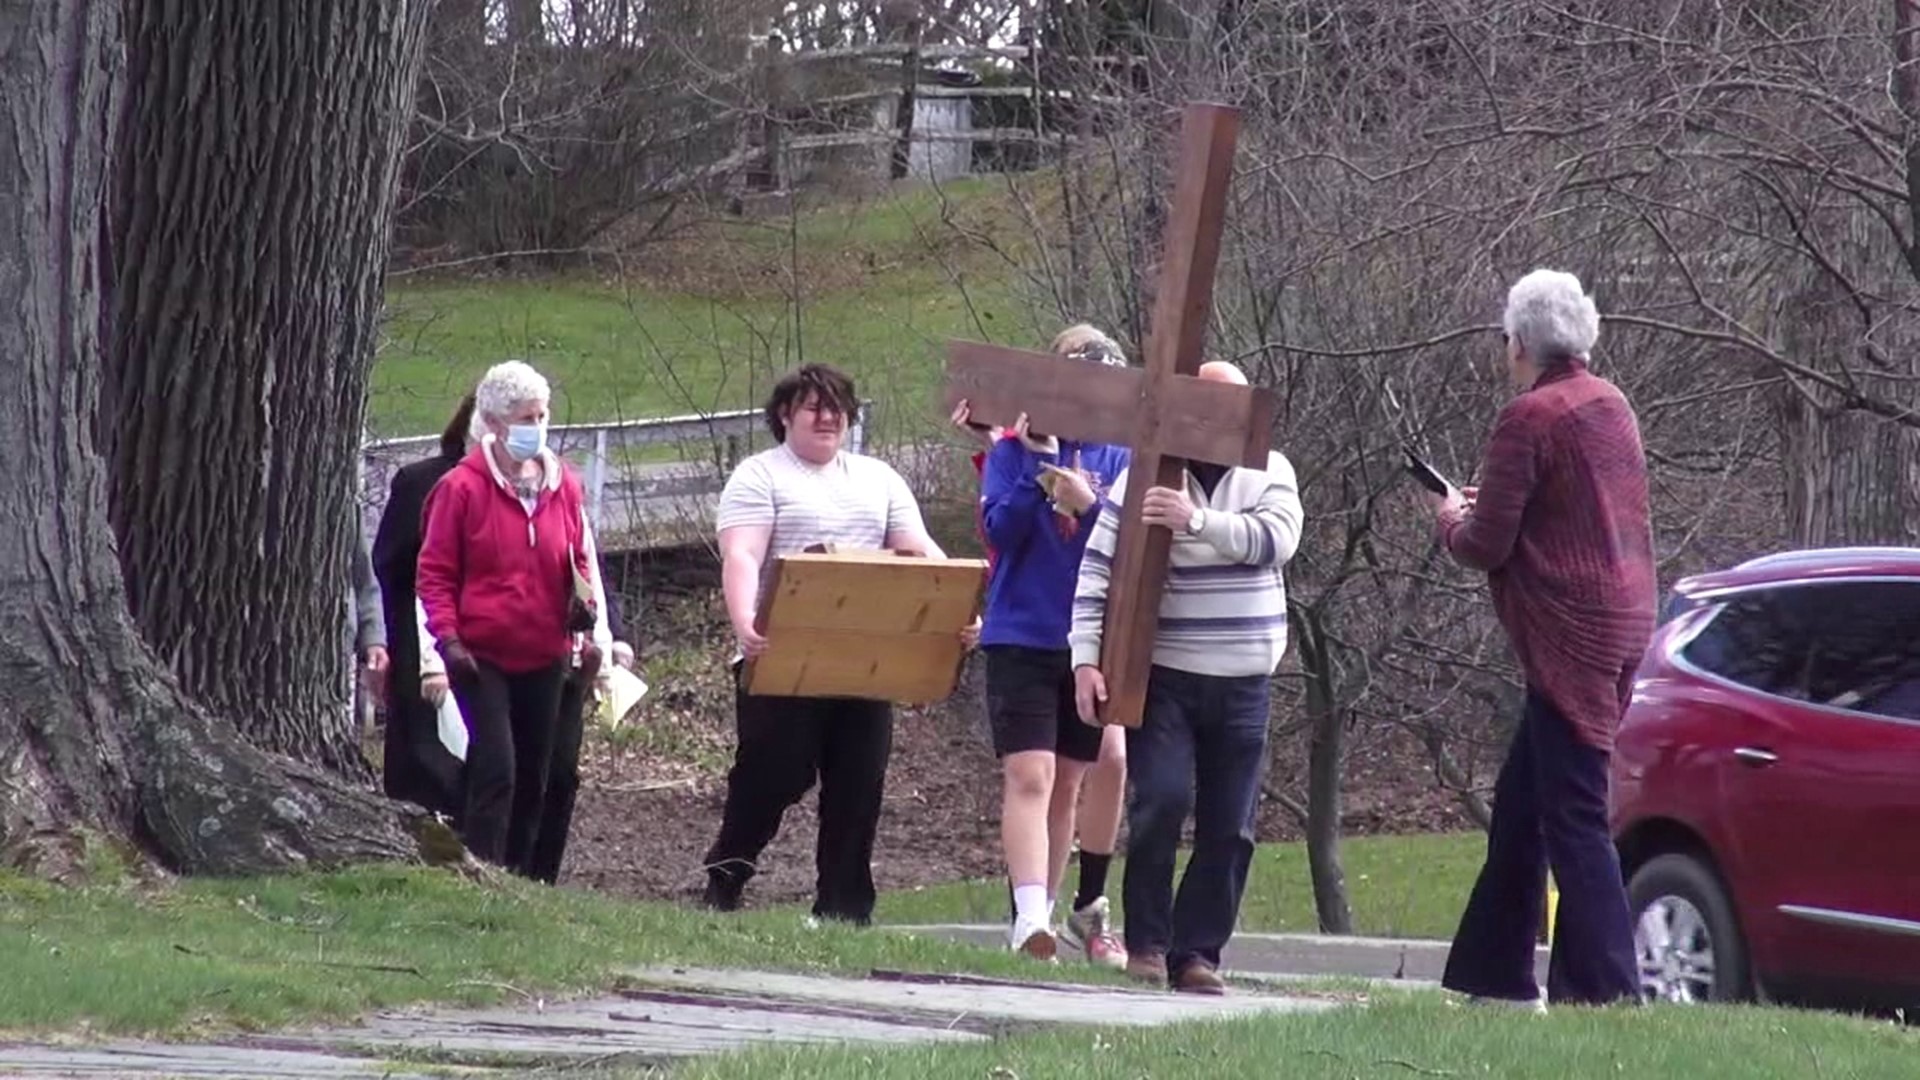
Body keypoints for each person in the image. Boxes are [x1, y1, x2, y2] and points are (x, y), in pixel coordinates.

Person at [1422, 269, 1654, 1011]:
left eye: (1505, 340)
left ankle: (1610, 990)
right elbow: (1572, 508)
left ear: (1519, 343)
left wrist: (1449, 514)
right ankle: (1496, 975)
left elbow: (1486, 545)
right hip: (1624, 622)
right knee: (1521, 804)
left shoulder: (1528, 417)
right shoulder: (1610, 405)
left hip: (1569, 636)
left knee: (1576, 815)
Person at [701, 362, 975, 925]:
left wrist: (961, 611)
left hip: (865, 663)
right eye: (813, 407)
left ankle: (844, 909)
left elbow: (922, 553)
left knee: (859, 782)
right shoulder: (759, 476)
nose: (827, 417)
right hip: (780, 659)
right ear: (785, 415)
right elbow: (743, 555)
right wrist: (744, 622)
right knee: (775, 775)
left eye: (837, 408)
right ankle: (728, 872)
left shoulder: (879, 480)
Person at [1071, 359, 1303, 995]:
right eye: (1206, 403)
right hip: (1166, 673)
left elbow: (1276, 541)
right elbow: (1099, 569)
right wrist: (1085, 659)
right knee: (1163, 800)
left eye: (1231, 405)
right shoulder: (1147, 474)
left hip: (1244, 678)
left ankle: (1198, 954)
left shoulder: (1270, 469)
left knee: (1231, 823)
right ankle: (1148, 942)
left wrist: (1194, 524)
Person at [957, 323, 1131, 967]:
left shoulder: (1122, 457)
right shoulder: (1012, 451)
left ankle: (1050, 913)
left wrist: (1089, 505)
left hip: (1087, 639)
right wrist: (1035, 466)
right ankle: (1028, 915)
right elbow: (1001, 529)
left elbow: (1120, 551)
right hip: (1020, 632)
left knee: (1069, 783)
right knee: (1030, 773)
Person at [416, 361, 609, 873]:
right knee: (497, 767)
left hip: (545, 651)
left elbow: (577, 554)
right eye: (527, 417)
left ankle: (527, 880)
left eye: (543, 415)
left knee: (536, 774)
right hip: (483, 655)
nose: (538, 427)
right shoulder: (460, 489)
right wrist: (448, 641)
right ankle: (482, 867)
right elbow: (433, 572)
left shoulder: (562, 483)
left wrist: (583, 608)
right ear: (497, 423)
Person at [372, 394, 476, 821]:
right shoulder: (420, 482)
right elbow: (390, 562)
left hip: (486, 636)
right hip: (422, 633)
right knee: (424, 742)